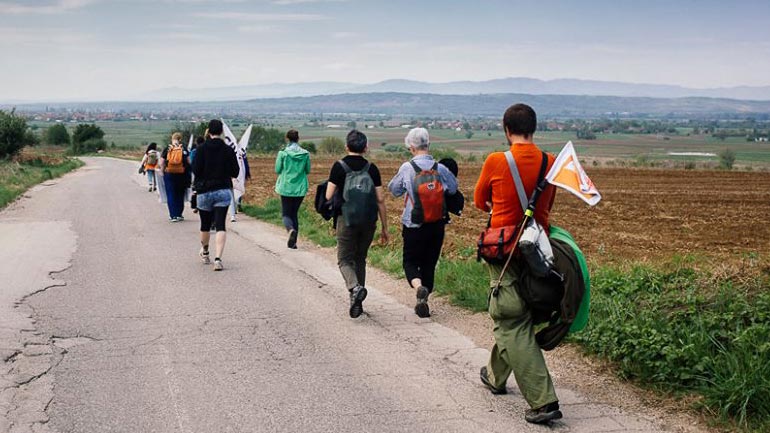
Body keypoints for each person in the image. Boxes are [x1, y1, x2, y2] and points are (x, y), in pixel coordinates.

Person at [473, 103, 561, 424]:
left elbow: (479, 200)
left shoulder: (497, 160)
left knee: (508, 315)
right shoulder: (550, 162)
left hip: (505, 249)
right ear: (534, 129)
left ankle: (543, 401)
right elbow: (548, 202)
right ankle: (495, 377)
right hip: (538, 248)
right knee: (515, 312)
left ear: (506, 129)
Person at [387, 127, 457, 318]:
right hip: (436, 224)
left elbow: (394, 190)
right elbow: (453, 188)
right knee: (429, 262)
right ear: (428, 144)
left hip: (413, 223)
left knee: (410, 261)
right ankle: (424, 300)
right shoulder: (440, 168)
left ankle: (418, 287)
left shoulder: (407, 168)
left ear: (411, 147)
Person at [325, 130, 389, 318]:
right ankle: (357, 300)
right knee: (360, 258)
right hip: (369, 220)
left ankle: (354, 287)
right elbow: (380, 199)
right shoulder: (372, 168)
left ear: (346, 146)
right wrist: (385, 227)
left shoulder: (339, 167)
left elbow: (328, 196)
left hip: (346, 219)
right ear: (366, 147)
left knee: (344, 259)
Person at [192, 119, 239, 271]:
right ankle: (218, 259)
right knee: (220, 225)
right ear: (221, 132)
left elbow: (196, 170)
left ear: (209, 131)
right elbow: (235, 172)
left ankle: (205, 252)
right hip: (223, 190)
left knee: (205, 225)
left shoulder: (201, 149)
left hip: (204, 191)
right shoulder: (228, 150)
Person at [274, 129, 311, 249]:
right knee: (294, 214)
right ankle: (294, 243)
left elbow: (278, 170)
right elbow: (308, 170)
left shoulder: (283, 153)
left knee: (286, 214)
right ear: (298, 139)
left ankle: (290, 230)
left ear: (287, 138)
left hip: (286, 187)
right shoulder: (305, 154)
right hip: (300, 187)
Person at [160, 132, 191, 222]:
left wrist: (162, 171)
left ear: (172, 139)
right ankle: (179, 214)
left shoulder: (167, 148)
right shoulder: (183, 148)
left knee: (171, 194)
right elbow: (189, 161)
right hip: (182, 174)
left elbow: (161, 162)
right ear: (180, 139)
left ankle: (172, 215)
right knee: (180, 194)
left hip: (169, 173)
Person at [189, 136, 205, 214]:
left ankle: (196, 206)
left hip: (195, 172)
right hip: (204, 173)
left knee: (195, 189)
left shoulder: (194, 151)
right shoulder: (206, 150)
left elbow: (191, 162)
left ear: (196, 143)